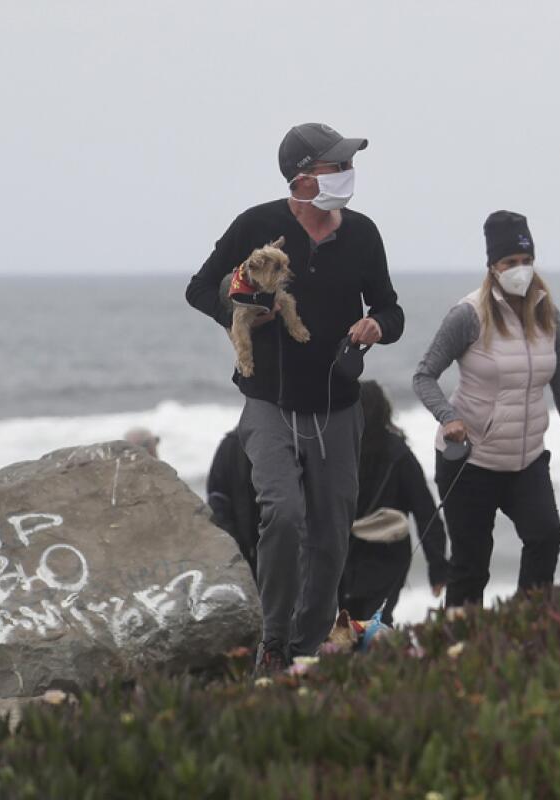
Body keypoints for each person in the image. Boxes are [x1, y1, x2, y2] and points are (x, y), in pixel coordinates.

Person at [185, 122, 404, 675]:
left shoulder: (363, 233)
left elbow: (392, 310)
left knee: (331, 532)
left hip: (337, 402)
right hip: (269, 402)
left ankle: (305, 650)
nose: (348, 175)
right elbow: (199, 286)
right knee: (283, 515)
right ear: (304, 180)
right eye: (337, 166)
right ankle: (275, 643)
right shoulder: (256, 225)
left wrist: (377, 323)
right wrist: (237, 313)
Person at [412, 210, 560, 610]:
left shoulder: (548, 314)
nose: (520, 270)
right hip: (471, 462)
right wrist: (449, 418)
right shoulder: (468, 315)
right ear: (493, 267)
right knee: (471, 568)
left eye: (527, 261)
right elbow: (424, 376)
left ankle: (527, 627)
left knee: (546, 535)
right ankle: (459, 654)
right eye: (510, 262)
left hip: (525, 459)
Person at [339, 381, 449, 625]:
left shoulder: (338, 452)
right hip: (388, 557)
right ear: (385, 410)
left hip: (343, 556)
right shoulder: (399, 455)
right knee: (377, 622)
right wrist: (438, 566)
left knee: (344, 625)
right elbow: (425, 512)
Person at [205, 428, 259, 577]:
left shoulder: (286, 443)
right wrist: (233, 544)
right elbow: (217, 500)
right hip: (244, 545)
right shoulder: (231, 445)